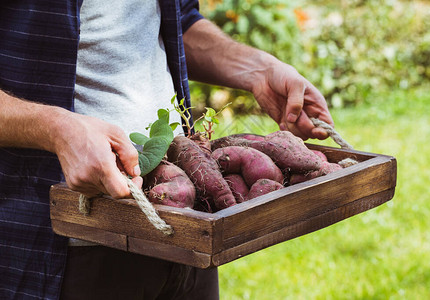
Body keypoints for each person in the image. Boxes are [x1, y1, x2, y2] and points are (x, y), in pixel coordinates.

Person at [0, 0, 333, 299]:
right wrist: (55, 129)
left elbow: (178, 19)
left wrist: (258, 70)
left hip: (187, 218)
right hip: (67, 241)